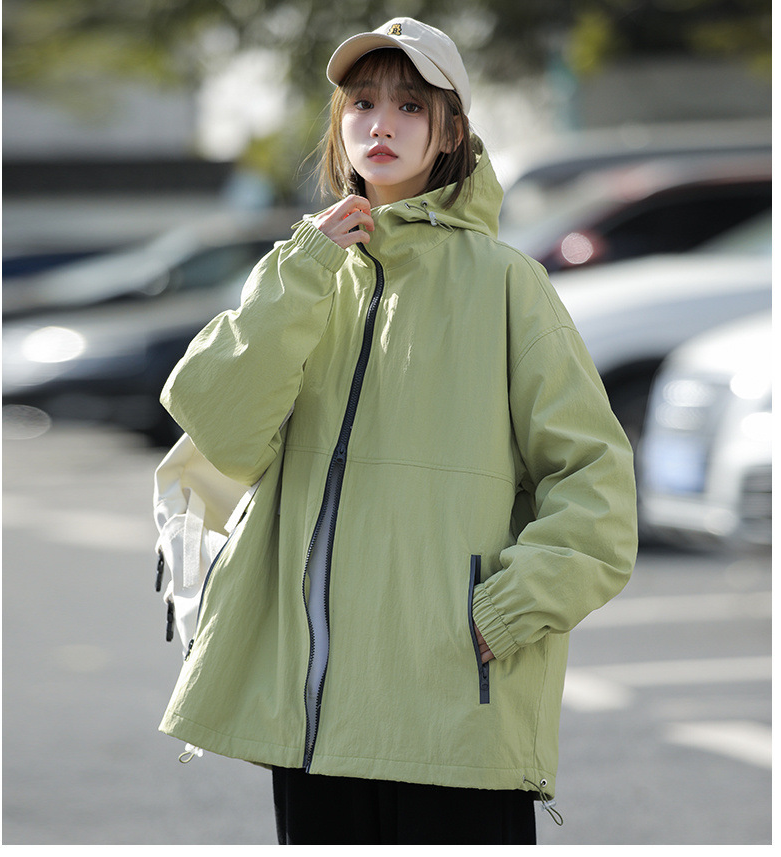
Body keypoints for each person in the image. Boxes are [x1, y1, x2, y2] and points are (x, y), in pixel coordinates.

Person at [157, 17, 638, 845]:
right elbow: (222, 429)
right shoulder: (302, 271)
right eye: (362, 103)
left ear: (449, 133)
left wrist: (506, 609)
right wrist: (302, 271)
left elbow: (595, 484)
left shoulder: (507, 284)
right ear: (339, 124)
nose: (381, 123)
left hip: (453, 705)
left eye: (411, 106)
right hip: (311, 715)